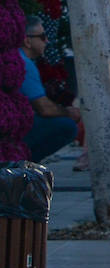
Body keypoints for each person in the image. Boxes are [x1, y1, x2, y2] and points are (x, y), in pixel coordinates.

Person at [18, 17, 78, 163]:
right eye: (42, 37)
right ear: (27, 41)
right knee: (67, 126)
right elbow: (44, 108)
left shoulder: (18, 59)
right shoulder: (24, 64)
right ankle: (23, 163)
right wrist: (69, 112)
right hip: (13, 128)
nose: (47, 41)